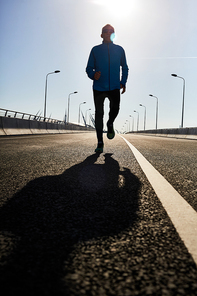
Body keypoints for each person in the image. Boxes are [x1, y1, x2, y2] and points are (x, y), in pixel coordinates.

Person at [86, 24, 129, 153]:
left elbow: (125, 67)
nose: (109, 33)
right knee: (99, 113)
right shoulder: (95, 50)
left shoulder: (120, 50)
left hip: (115, 86)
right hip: (99, 87)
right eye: (106, 31)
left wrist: (123, 81)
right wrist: (93, 74)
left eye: (112, 31)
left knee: (115, 109)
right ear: (101, 35)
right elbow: (88, 68)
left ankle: (110, 124)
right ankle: (100, 142)